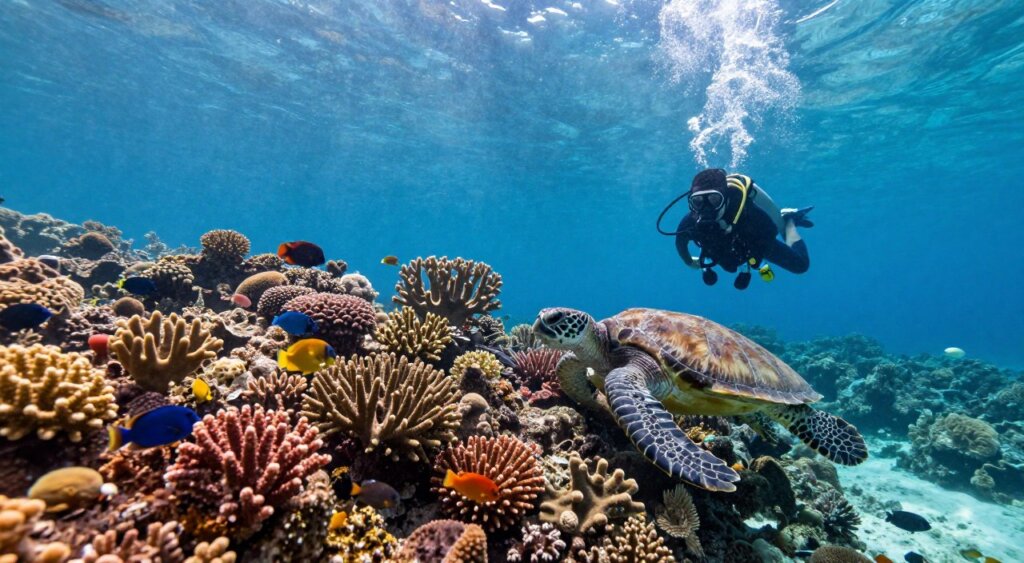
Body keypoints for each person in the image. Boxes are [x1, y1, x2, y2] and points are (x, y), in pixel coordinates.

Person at [657, 168, 813, 289]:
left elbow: (771, 232)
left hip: (752, 242)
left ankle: (790, 220)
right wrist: (689, 261)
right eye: (698, 201)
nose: (706, 208)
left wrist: (757, 251)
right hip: (723, 251)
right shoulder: (690, 222)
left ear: (725, 199)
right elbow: (680, 243)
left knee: (800, 266)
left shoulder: (749, 216)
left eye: (713, 200)